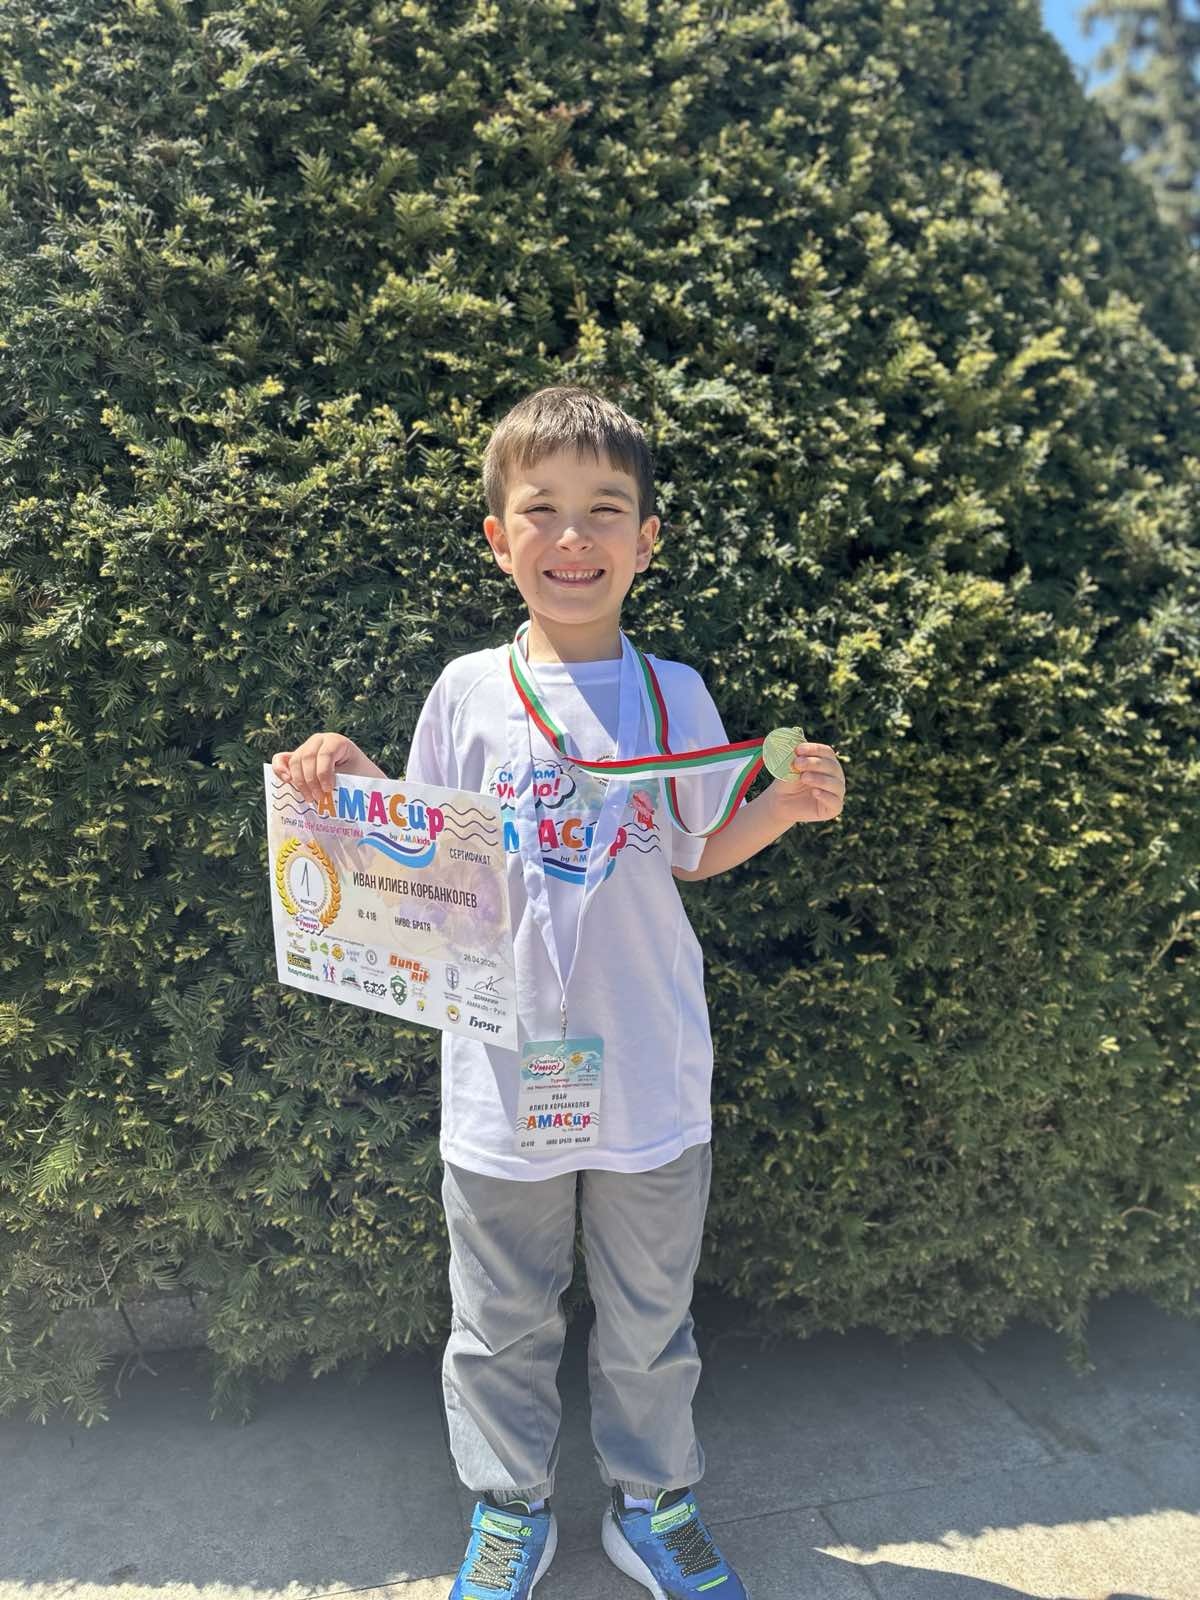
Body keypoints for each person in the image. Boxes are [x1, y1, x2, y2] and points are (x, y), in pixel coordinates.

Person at [272, 384, 845, 1598]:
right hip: (500, 1072)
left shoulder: (676, 692)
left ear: (648, 538)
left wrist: (784, 806)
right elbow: (422, 858)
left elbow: (694, 849)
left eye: (606, 509)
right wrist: (352, 776)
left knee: (650, 1320)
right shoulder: (466, 691)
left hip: (649, 1069)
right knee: (500, 1321)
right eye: (541, 509)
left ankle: (653, 1502)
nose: (573, 536)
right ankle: (510, 1507)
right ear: (499, 537)